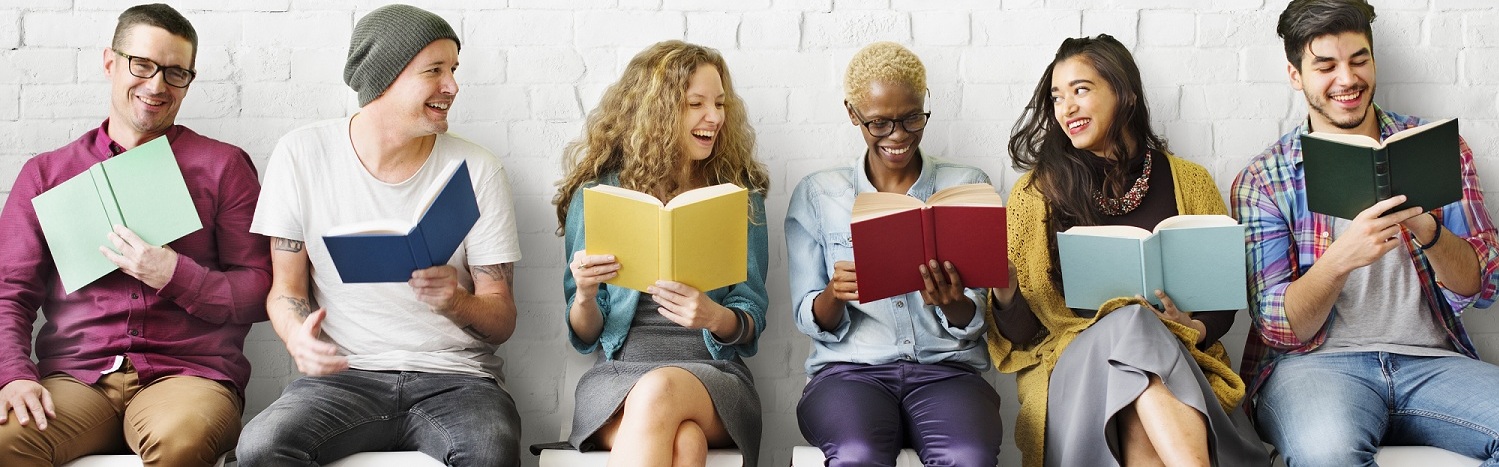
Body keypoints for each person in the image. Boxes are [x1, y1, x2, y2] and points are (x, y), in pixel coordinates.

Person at [235, 5, 523, 466]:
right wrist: (297, 338)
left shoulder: (477, 169)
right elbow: (286, 290)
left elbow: (502, 319)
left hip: (458, 380)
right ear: (384, 77)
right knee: (260, 447)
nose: (452, 86)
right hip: (345, 377)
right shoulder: (302, 155)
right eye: (434, 70)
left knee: (491, 451)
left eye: (453, 70)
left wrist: (456, 301)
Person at [0, 4, 271, 466]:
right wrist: (13, 374)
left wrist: (176, 275)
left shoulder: (223, 166)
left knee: (180, 440)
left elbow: (263, 289)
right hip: (76, 379)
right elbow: (9, 291)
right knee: (6, 438)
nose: (157, 85)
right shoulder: (47, 174)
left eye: (176, 72)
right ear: (110, 62)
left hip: (188, 376)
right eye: (142, 64)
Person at [1233, 0, 1499, 464]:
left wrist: (1426, 227)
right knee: (1328, 454)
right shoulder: (1264, 179)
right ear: (1295, 75)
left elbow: (1484, 285)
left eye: (1359, 60)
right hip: (1314, 368)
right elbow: (1278, 327)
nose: (1347, 79)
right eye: (1325, 67)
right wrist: (1341, 258)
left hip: (1433, 363)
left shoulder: (1440, 149)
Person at [990, 34, 1268, 467]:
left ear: (1125, 94)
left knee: (1138, 382)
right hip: (1077, 375)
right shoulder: (1034, 195)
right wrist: (1005, 289)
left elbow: (1220, 299)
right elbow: (1024, 336)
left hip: (1173, 365)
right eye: (1057, 97)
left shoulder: (1190, 182)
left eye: (1081, 90)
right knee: (1132, 318)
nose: (1066, 108)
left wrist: (1193, 328)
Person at [785, 41, 1004, 467]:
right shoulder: (819, 193)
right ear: (853, 114)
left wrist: (951, 302)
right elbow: (807, 316)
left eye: (911, 118)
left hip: (947, 372)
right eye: (879, 123)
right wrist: (834, 294)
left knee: (967, 456)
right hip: (850, 373)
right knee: (858, 454)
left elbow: (977, 317)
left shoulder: (965, 186)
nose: (898, 135)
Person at [556, 40, 769, 466]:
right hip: (617, 378)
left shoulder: (737, 197)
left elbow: (751, 320)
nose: (715, 117)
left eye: (719, 103)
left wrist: (713, 316)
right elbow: (585, 335)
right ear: (657, 111)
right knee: (685, 442)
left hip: (714, 377)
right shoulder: (598, 195)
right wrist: (584, 295)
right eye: (696, 104)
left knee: (660, 390)